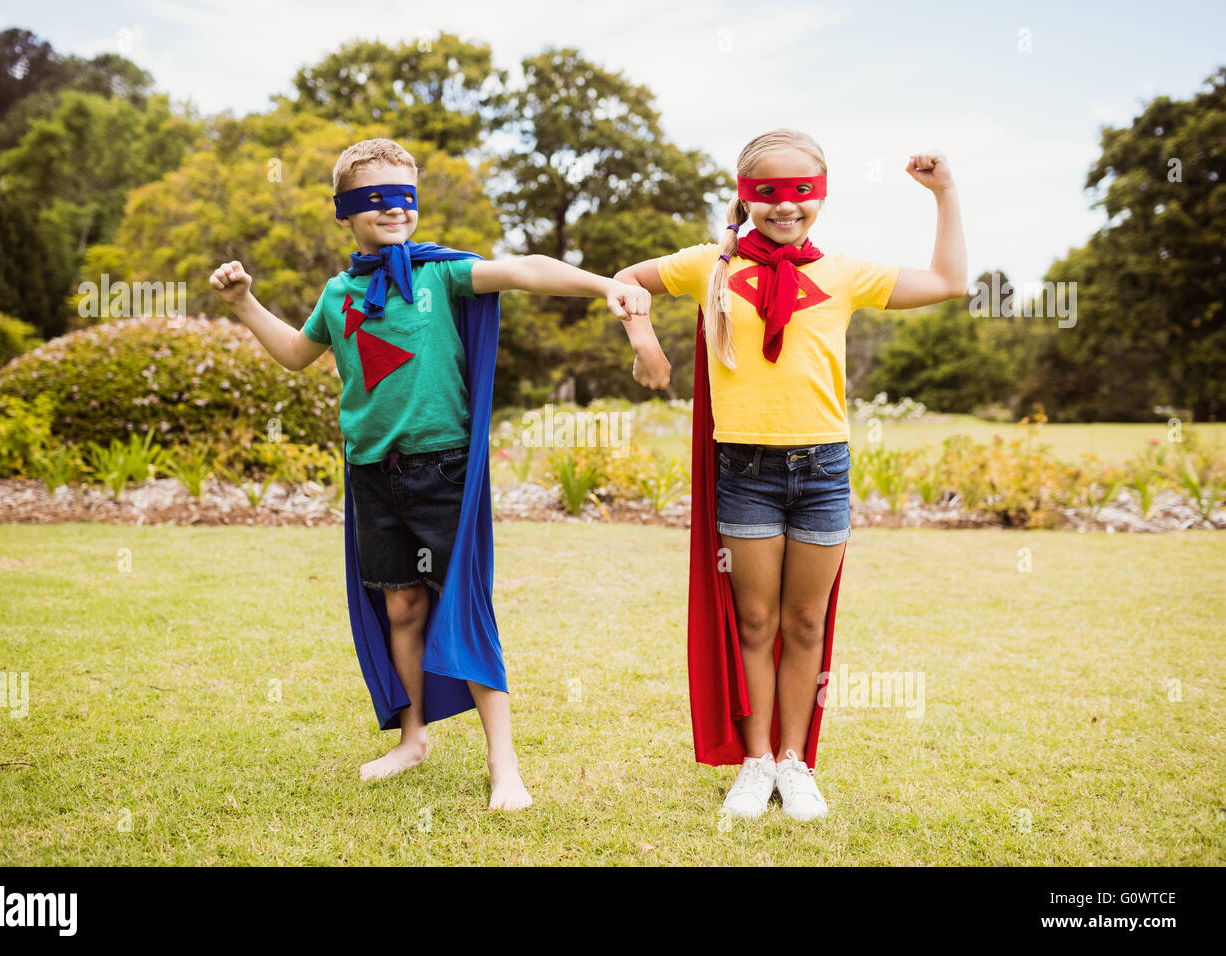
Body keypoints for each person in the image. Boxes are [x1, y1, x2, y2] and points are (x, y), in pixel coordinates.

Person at [209, 138, 652, 811]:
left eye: (404, 196)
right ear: (345, 212)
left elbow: (526, 268)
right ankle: (412, 739)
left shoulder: (441, 275)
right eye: (374, 198)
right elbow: (298, 355)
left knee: (465, 607)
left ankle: (504, 765)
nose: (392, 209)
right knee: (401, 606)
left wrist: (605, 287)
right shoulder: (339, 293)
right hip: (371, 474)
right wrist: (244, 305)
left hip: (442, 471)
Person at [615, 128, 966, 819]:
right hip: (743, 468)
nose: (785, 206)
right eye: (769, 192)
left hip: (823, 470)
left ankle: (794, 762)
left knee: (805, 623)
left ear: (822, 195)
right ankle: (753, 763)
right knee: (753, 620)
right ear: (746, 195)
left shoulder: (842, 272)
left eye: (801, 191)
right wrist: (645, 346)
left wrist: (945, 194)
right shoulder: (706, 267)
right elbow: (625, 280)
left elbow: (951, 283)